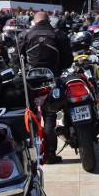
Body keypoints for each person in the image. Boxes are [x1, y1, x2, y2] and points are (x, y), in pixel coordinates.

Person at [18, 11, 73, 164]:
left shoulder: (26, 34)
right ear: (48, 20)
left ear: (34, 21)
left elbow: (16, 58)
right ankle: (49, 154)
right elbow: (68, 61)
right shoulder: (59, 34)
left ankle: (28, 154)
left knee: (31, 116)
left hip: (30, 81)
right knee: (50, 116)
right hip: (52, 79)